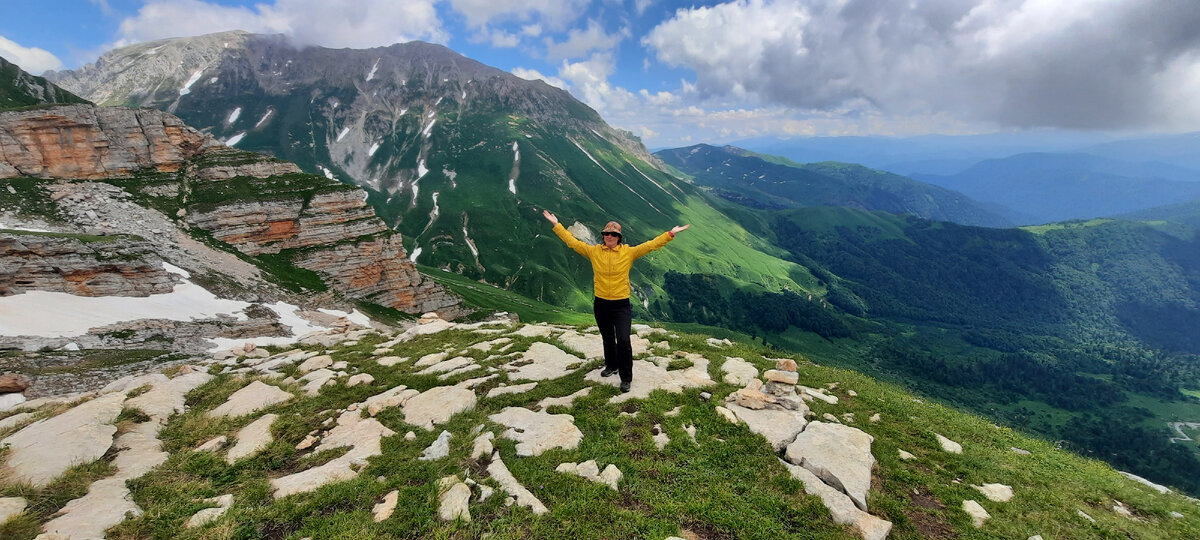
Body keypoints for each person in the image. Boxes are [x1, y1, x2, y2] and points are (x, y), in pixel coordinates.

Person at [542, 209, 690, 392]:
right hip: (601, 303)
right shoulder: (594, 251)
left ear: (619, 237)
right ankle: (611, 366)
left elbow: (650, 245)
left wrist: (670, 234)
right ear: (603, 236)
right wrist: (557, 225)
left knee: (623, 340)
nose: (609, 236)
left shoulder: (628, 253)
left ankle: (626, 378)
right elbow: (572, 242)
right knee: (607, 338)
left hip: (621, 304)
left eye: (613, 234)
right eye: (606, 234)